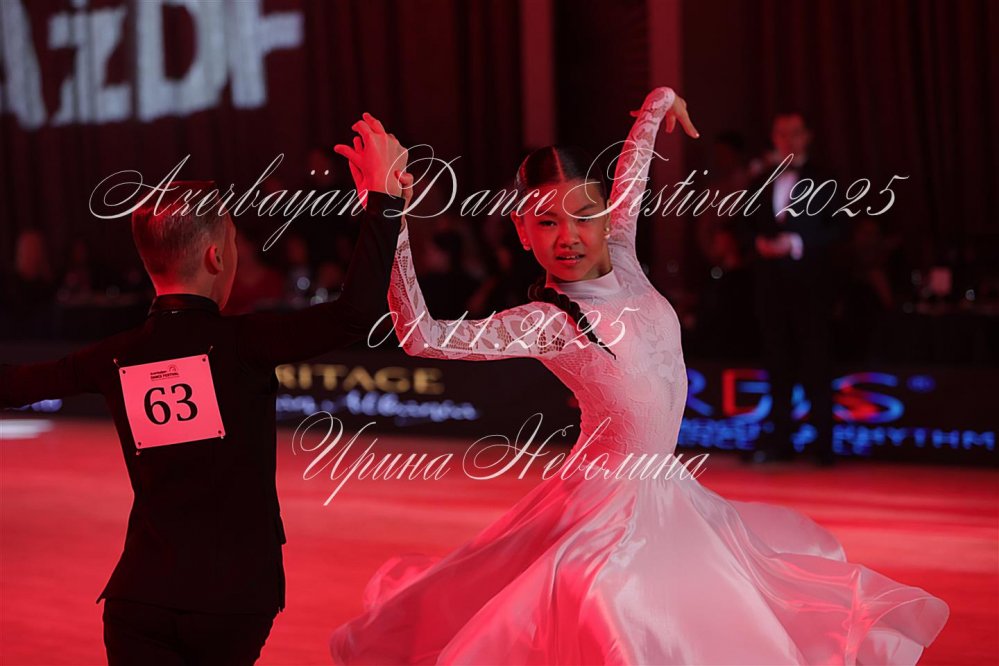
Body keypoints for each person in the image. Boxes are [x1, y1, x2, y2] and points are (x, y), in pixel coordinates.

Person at [328, 89, 949, 664]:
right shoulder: (547, 320)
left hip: (668, 493)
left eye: (583, 216)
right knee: (614, 613)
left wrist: (657, 106)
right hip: (605, 512)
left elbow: (634, 169)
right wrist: (388, 213)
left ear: (606, 216)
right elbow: (422, 335)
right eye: (546, 222)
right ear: (521, 230)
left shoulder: (622, 252)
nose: (568, 237)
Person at [0, 130, 406, 666]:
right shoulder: (244, 345)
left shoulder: (113, 356)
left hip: (140, 596)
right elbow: (355, 314)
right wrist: (384, 197)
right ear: (217, 257)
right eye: (233, 243)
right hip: (231, 602)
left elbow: (15, 384)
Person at [742, 112, 841, 466]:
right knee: (777, 363)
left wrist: (796, 243)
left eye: (794, 133)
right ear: (774, 137)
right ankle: (780, 440)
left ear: (807, 136)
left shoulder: (826, 178)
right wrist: (759, 244)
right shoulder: (761, 180)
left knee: (816, 363)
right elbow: (743, 224)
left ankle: (824, 444)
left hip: (812, 286)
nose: (788, 140)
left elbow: (839, 229)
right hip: (771, 287)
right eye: (781, 133)